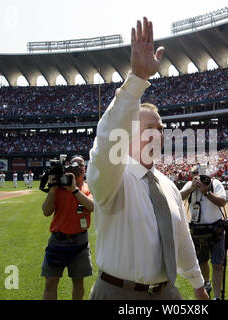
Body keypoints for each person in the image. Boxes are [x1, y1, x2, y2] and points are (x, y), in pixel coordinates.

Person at [86, 17, 208, 300]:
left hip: (167, 293)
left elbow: (181, 240)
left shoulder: (166, 186)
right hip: (118, 293)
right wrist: (138, 79)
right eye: (149, 128)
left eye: (161, 129)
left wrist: (199, 286)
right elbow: (106, 142)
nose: (158, 134)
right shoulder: (113, 179)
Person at [41, 156, 94, 300]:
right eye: (74, 165)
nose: (77, 168)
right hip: (58, 240)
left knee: (78, 283)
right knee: (50, 282)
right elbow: (46, 212)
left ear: (85, 169)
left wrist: (74, 190)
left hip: (80, 242)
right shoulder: (59, 187)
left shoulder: (88, 187)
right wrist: (52, 190)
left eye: (81, 165)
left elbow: (92, 206)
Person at [180, 165, 227, 300]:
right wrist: (191, 189)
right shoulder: (190, 184)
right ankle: (206, 283)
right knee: (202, 261)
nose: (198, 177)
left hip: (215, 229)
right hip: (198, 230)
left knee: (218, 264)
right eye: (195, 174)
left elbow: (222, 202)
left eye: (200, 174)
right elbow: (178, 197)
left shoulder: (215, 183)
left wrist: (206, 192)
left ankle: (217, 296)